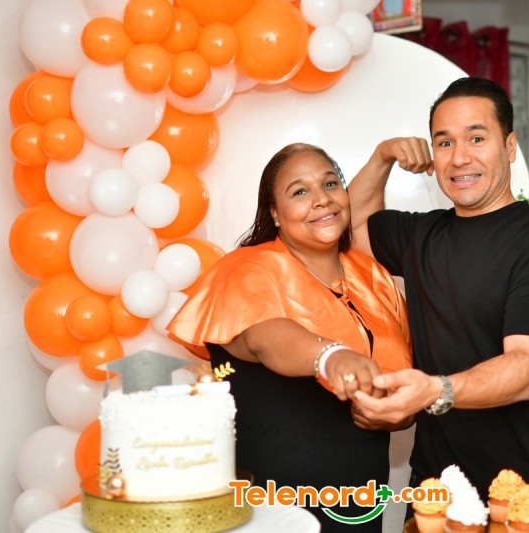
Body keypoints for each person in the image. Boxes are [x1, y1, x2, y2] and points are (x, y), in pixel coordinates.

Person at [347, 77, 529, 533]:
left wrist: (434, 391)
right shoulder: (422, 233)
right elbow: (352, 223)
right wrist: (382, 157)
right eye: (444, 142)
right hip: (435, 499)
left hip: (525, 503)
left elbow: (527, 371)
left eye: (476, 138)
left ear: (509, 146)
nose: (459, 157)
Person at [166, 143, 413, 532]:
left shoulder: (374, 278)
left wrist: (398, 412)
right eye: (300, 191)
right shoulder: (245, 268)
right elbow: (264, 335)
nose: (321, 199)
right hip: (273, 497)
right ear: (275, 214)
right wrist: (330, 356)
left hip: (360, 497)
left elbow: (399, 376)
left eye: (330, 183)